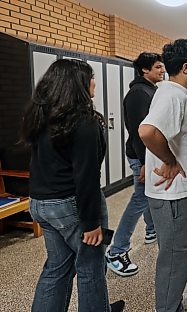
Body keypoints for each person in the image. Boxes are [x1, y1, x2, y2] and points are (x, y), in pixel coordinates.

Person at [21, 59, 125, 311]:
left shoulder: (41, 116)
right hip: (71, 205)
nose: (94, 82)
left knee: (57, 267)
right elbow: (87, 177)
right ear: (76, 84)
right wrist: (91, 224)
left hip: (40, 203)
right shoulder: (84, 122)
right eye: (90, 77)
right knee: (91, 268)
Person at [138, 39, 187, 312]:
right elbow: (147, 131)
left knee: (177, 251)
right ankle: (168, 307)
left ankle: (173, 300)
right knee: (175, 255)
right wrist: (170, 160)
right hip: (171, 193)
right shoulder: (174, 95)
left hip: (172, 191)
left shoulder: (169, 93)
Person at [106, 52, 165, 277]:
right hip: (142, 155)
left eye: (162, 67)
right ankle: (116, 251)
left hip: (147, 154)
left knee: (146, 194)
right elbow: (140, 131)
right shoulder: (139, 93)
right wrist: (143, 163)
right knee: (140, 198)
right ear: (144, 70)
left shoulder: (150, 89)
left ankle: (151, 231)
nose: (162, 70)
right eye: (158, 67)